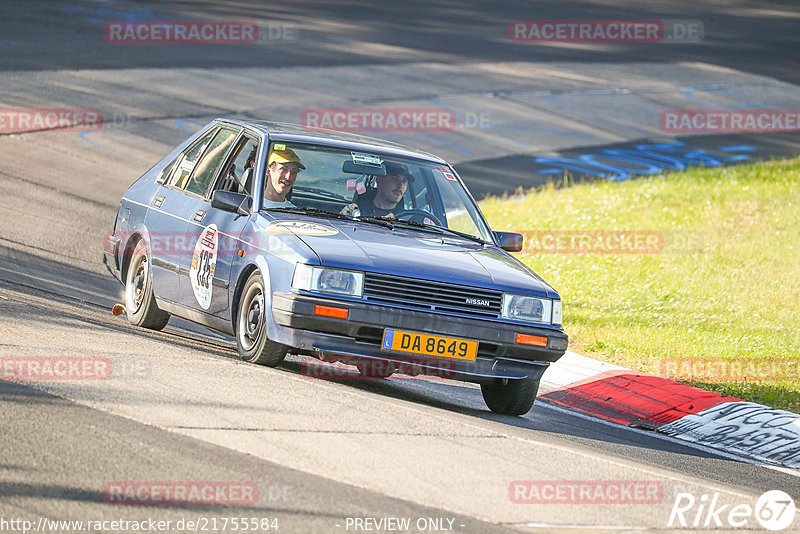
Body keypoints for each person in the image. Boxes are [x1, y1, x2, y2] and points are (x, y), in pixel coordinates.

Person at [342, 162, 414, 218]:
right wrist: (343, 217)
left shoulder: (406, 219)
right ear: (379, 180)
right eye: (395, 179)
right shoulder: (357, 211)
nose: (401, 185)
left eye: (404, 181)